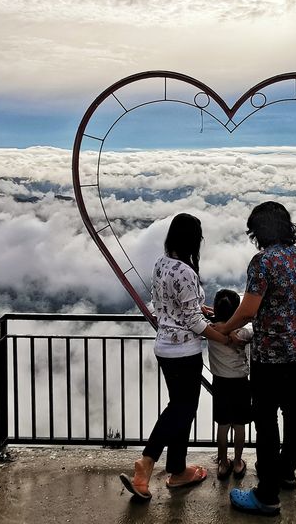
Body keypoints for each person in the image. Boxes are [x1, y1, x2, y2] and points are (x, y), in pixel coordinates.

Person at [119, 213, 232, 501]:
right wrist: (225, 338)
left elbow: (168, 305)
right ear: (193, 240)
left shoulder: (161, 264)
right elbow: (193, 323)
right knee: (181, 409)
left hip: (164, 348)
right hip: (184, 352)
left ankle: (178, 470)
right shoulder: (186, 271)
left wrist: (200, 309)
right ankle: (146, 463)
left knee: (181, 408)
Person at [217, 201, 296, 517]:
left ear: (258, 231)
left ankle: (267, 494)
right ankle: (287, 472)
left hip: (269, 354)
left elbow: (248, 310)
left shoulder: (262, 263)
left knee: (266, 418)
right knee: (292, 408)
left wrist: (224, 327)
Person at [208, 288, 253, 481]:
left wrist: (210, 314)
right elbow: (251, 329)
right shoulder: (243, 332)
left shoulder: (210, 329)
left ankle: (223, 463)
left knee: (223, 425)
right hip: (241, 382)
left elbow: (205, 321)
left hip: (220, 382)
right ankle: (237, 463)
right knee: (240, 425)